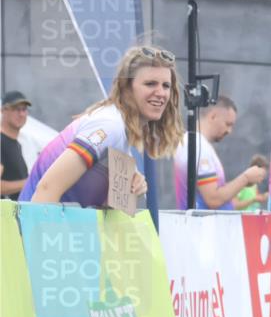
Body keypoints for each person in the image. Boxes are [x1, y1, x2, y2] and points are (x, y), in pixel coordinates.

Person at [20, 47, 183, 206]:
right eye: (150, 84)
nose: (161, 93)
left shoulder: (120, 132)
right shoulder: (109, 126)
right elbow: (47, 189)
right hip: (30, 228)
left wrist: (133, 186)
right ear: (126, 88)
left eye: (166, 86)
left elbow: (108, 212)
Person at [173, 95, 265, 210]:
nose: (229, 131)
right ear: (213, 116)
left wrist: (243, 183)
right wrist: (245, 178)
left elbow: (216, 197)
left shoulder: (195, 143)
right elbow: (213, 199)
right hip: (203, 226)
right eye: (228, 124)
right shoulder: (199, 147)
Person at [1, 91, 31, 200]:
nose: (21, 114)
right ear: (3, 110)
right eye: (16, 109)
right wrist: (30, 181)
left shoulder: (16, 144)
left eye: (24, 109)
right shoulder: (1, 141)